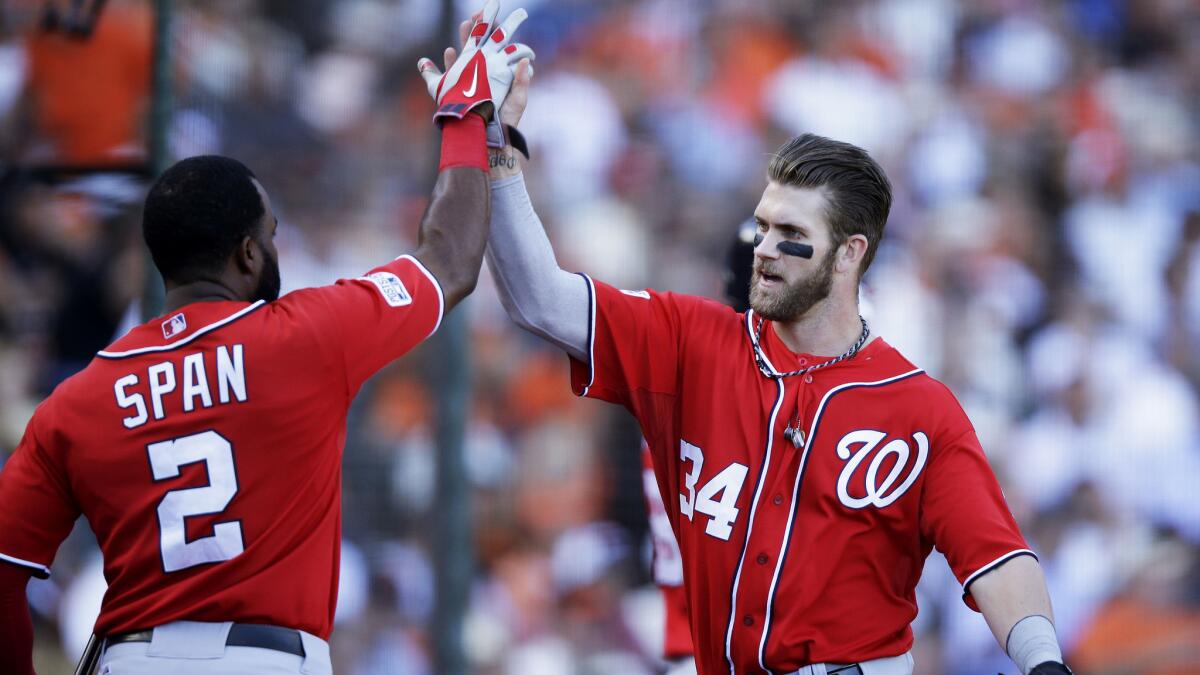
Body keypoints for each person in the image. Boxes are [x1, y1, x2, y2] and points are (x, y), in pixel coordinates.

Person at [468, 39, 1074, 675]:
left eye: (794, 236)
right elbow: (538, 299)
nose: (765, 248)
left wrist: (1043, 661)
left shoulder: (916, 406)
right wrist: (497, 150)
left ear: (850, 255)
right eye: (764, 226)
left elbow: (996, 556)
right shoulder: (693, 341)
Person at [0, 5, 529, 673]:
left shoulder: (77, 401)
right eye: (272, 235)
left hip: (132, 658)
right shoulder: (307, 335)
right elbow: (450, 259)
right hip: (268, 659)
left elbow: (4, 566)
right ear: (248, 255)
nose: (276, 247)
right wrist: (467, 115)